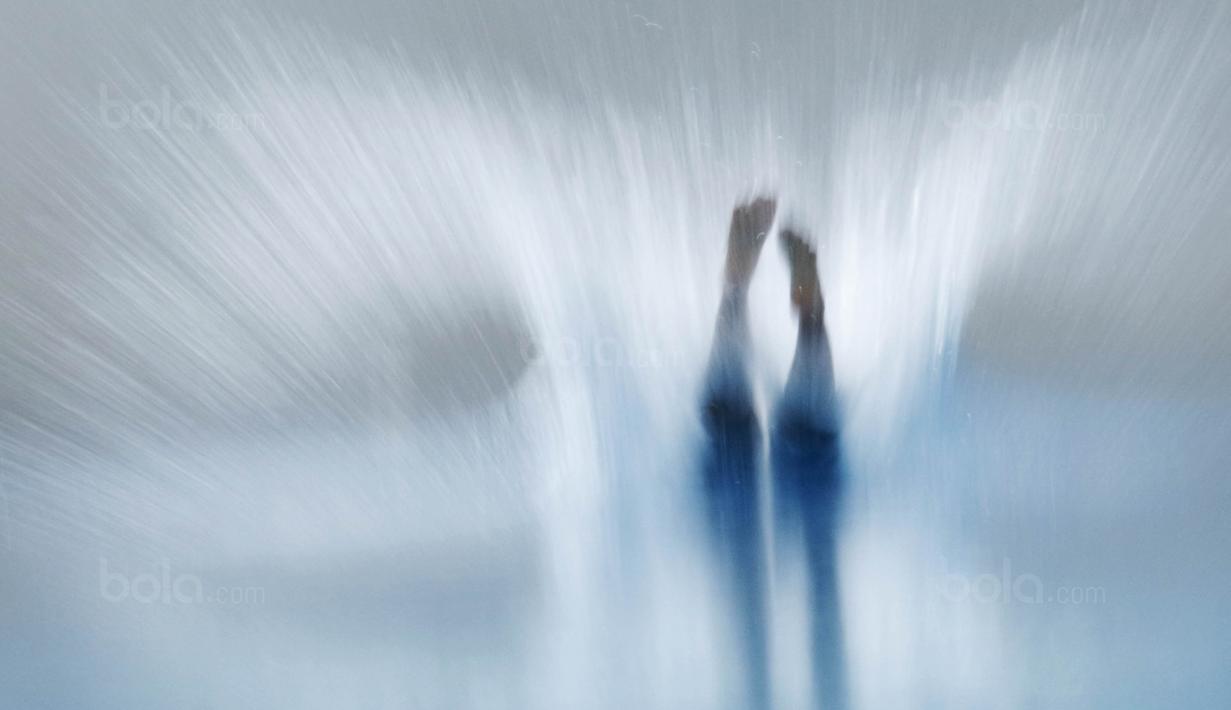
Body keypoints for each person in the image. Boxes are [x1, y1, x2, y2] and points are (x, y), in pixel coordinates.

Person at [699, 196, 847, 709]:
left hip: (749, 503)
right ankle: (751, 294)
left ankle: (759, 297)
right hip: (774, 500)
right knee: (742, 428)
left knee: (742, 432)